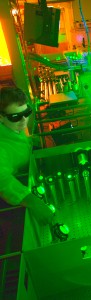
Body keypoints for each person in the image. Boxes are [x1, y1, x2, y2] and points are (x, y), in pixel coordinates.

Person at [0, 86, 54, 225]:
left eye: (27, 112)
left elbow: (16, 144)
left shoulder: (11, 127)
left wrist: (33, 141)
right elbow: (2, 180)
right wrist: (33, 202)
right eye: (16, 116)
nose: (24, 120)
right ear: (1, 117)